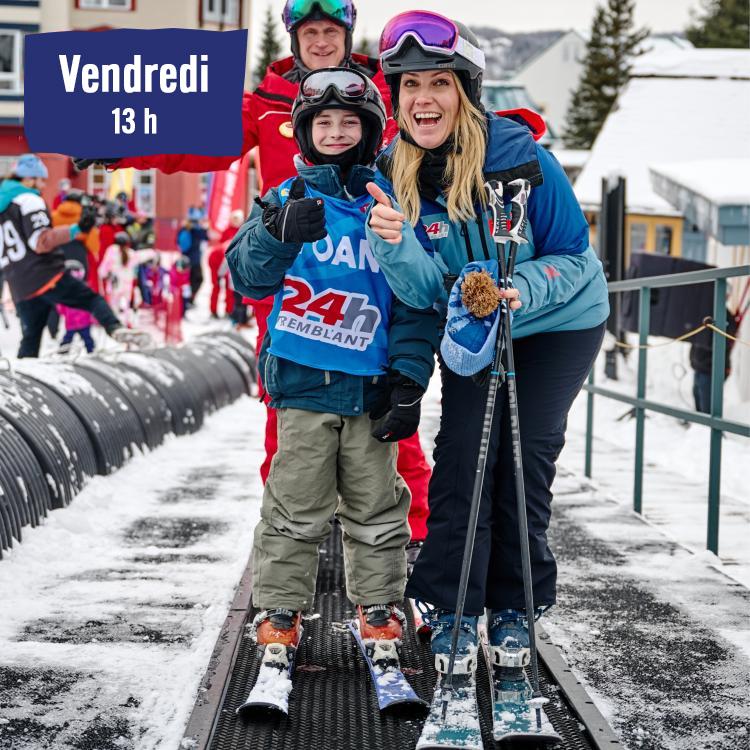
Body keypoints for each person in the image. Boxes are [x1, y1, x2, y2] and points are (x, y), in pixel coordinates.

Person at [72, 0, 432, 554]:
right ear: (295, 39)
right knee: (287, 411)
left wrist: (513, 141)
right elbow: (193, 136)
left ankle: (420, 534)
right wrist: (120, 145)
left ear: (346, 34)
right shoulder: (267, 104)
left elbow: (443, 123)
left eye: (329, 31)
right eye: (309, 32)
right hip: (292, 281)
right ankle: (286, 538)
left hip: (372, 278)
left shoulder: (383, 91)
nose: (319, 42)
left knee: (384, 404)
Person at [365, 12, 610, 672]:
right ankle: (451, 604)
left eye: (438, 82)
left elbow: (575, 256)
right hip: (477, 329)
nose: (422, 99)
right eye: (409, 84)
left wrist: (518, 288)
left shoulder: (522, 161)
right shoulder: (396, 174)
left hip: (557, 322)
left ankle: (513, 604)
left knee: (522, 452)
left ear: (465, 91)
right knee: (466, 456)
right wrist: (392, 246)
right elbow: (422, 293)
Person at [226, 68, 438, 653]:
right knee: (293, 508)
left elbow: (417, 301)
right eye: (325, 122)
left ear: (372, 133)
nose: (337, 131)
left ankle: (378, 609)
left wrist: (409, 377)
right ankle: (279, 612)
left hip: (370, 390)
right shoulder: (283, 199)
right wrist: (278, 233)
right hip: (303, 386)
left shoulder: (393, 203)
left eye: (351, 122)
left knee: (377, 509)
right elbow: (246, 276)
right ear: (304, 131)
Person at [0, 154, 130, 358]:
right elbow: (40, 241)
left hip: (19, 282)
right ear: (29, 179)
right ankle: (116, 329)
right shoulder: (29, 199)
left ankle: (19, 382)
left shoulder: (3, 204)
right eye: (41, 180)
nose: (42, 186)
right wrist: (76, 229)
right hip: (45, 274)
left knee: (31, 338)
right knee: (92, 299)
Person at [98, 230, 156, 323]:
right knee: (126, 306)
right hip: (126, 285)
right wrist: (152, 252)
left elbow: (104, 266)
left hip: (115, 284)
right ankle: (127, 322)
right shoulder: (130, 253)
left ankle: (114, 323)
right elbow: (141, 256)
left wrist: (102, 274)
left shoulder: (111, 251)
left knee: (114, 305)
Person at [57, 260, 95, 353]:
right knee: (70, 338)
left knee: (86, 338)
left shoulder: (82, 288)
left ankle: (91, 350)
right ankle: (64, 350)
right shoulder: (82, 288)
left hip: (78, 321)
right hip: (75, 321)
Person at [177, 207, 208, 306]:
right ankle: (188, 300)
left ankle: (188, 300)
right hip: (194, 260)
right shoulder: (196, 230)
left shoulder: (184, 228)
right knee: (197, 280)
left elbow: (177, 242)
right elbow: (206, 236)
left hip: (186, 259)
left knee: (187, 281)